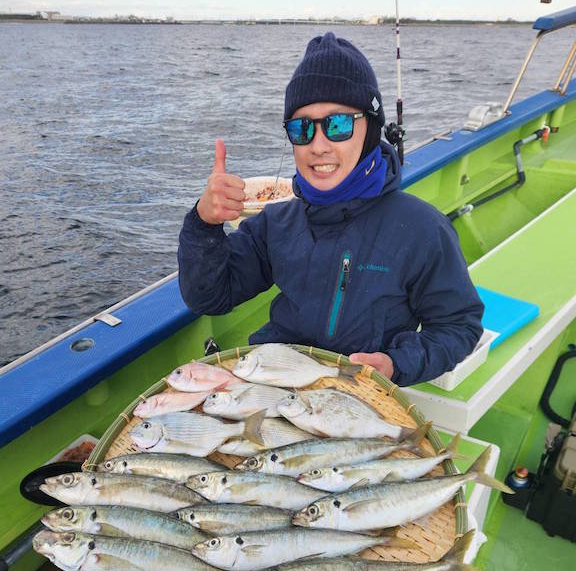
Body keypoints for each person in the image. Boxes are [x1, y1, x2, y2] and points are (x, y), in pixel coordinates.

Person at [178, 33, 484, 386]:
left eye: (338, 125)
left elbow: (458, 325)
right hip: (275, 382)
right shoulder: (277, 222)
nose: (318, 146)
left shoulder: (421, 229)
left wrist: (396, 363)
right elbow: (209, 297)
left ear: (370, 127)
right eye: (301, 127)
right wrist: (204, 224)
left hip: (360, 389)